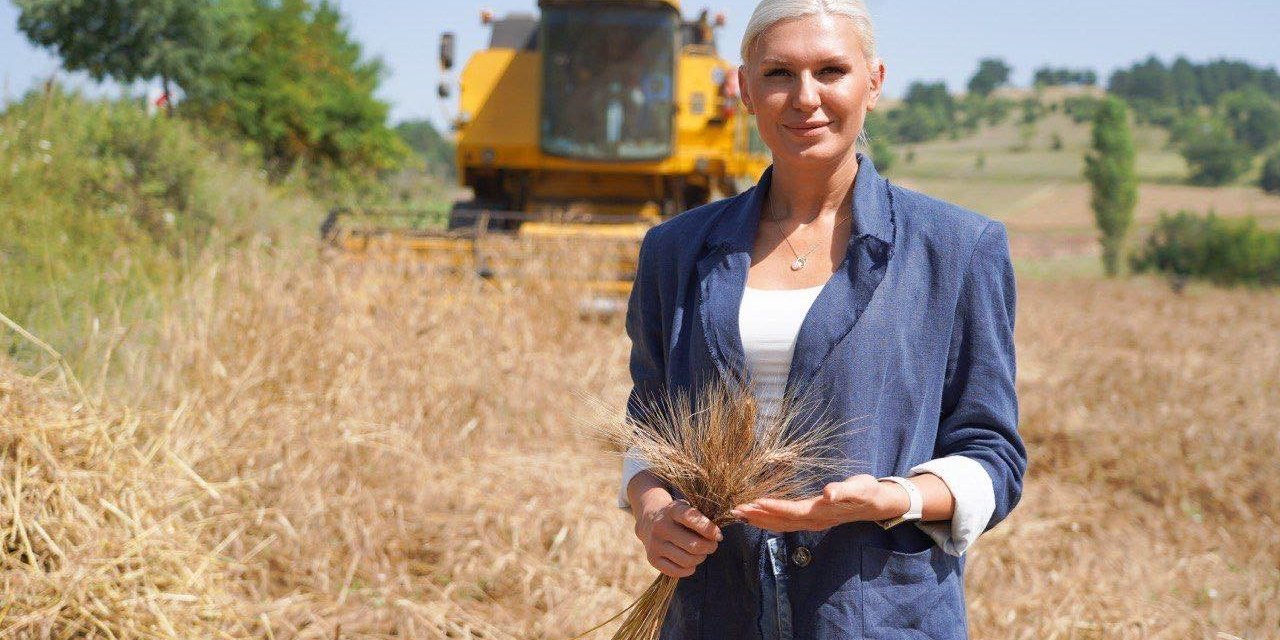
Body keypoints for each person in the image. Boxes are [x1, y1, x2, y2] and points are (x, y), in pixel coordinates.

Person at [617, 0, 1027, 638]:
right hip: (713, 613)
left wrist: (894, 498)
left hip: (874, 615)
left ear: (874, 82)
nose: (805, 97)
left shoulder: (955, 249)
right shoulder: (675, 250)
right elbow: (649, 430)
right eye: (778, 74)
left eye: (831, 71)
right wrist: (652, 511)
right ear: (745, 89)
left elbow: (993, 456)